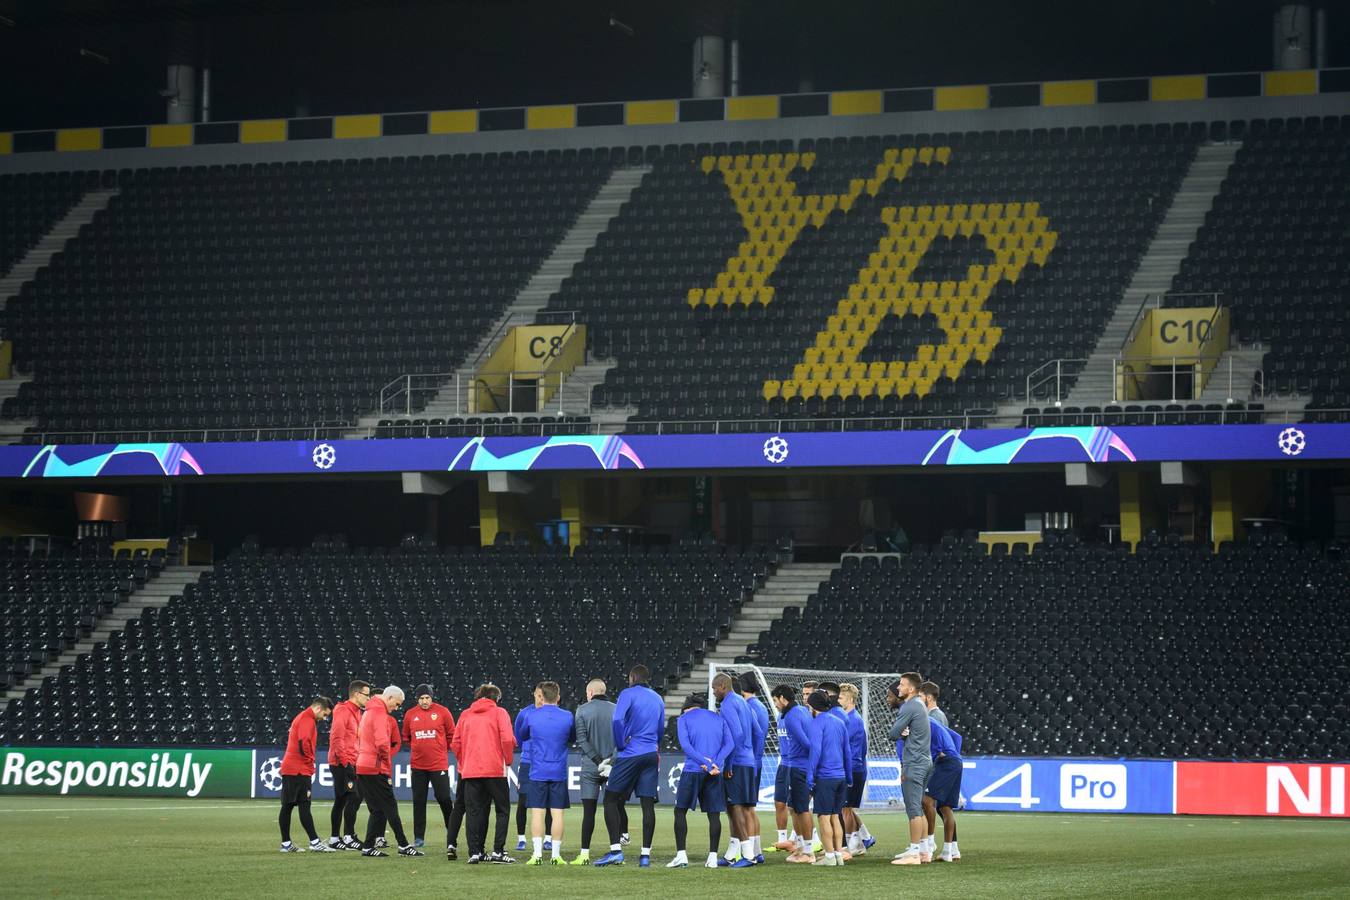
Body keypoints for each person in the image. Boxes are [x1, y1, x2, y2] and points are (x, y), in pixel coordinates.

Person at [594, 664, 665, 868]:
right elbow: (661, 728)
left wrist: (621, 743)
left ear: (632, 678)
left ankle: (616, 851)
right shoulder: (657, 698)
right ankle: (645, 856)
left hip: (631, 753)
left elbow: (617, 719)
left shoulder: (627, 693)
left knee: (610, 799)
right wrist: (653, 743)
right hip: (651, 753)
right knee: (647, 804)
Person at [452, 682, 517, 864]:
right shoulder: (499, 713)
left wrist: (465, 761)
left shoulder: (465, 714)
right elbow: (505, 738)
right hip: (495, 769)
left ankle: (475, 852)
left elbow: (456, 743)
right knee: (502, 810)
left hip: (471, 770)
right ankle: (498, 851)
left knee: (473, 812)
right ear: (496, 698)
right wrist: (508, 759)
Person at [668, 693, 734, 869]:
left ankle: (681, 855)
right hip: (714, 772)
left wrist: (705, 762)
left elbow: (686, 746)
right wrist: (715, 763)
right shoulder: (718, 717)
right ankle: (712, 858)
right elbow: (730, 744)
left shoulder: (683, 719)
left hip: (693, 770)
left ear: (687, 707)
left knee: (680, 811)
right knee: (714, 814)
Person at [356, 685, 423, 857]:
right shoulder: (379, 713)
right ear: (390, 698)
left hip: (363, 765)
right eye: (398, 704)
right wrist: (385, 763)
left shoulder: (368, 712)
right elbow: (381, 743)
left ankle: (368, 846)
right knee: (390, 806)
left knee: (377, 809)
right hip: (375, 767)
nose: (397, 708)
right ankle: (403, 845)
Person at [519, 681, 575, 865]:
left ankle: (536, 855)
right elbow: (572, 737)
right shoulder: (567, 716)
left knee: (537, 813)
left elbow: (522, 736)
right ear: (558, 697)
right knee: (557, 814)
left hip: (537, 771)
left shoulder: (532, 715)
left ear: (541, 696)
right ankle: (556, 856)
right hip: (558, 771)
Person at [571, 677, 620, 864]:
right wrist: (610, 761)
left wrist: (598, 760)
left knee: (588, 812)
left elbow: (582, 740)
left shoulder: (582, 710)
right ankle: (615, 851)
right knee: (612, 808)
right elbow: (622, 739)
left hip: (591, 767)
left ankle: (584, 854)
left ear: (590, 693)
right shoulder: (616, 709)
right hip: (612, 768)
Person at [710, 672, 758, 867]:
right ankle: (732, 854)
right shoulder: (742, 702)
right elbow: (757, 730)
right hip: (748, 759)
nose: (713, 693)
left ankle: (748, 855)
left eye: (714, 688)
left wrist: (728, 764)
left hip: (736, 762)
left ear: (722, 686)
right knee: (733, 807)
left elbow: (736, 734)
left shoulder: (728, 704)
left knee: (735, 806)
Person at [402, 684, 456, 852]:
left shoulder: (443, 712)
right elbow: (406, 737)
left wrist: (440, 749)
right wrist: (419, 748)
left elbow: (452, 734)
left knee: (444, 798)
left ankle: (451, 834)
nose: (425, 701)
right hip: (418, 766)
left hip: (438, 764)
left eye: (427, 698)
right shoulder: (410, 714)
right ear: (417, 699)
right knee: (418, 801)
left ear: (432, 698)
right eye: (421, 698)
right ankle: (418, 837)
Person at [279, 696, 335, 853]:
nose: (325, 718)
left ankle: (286, 844)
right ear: (318, 708)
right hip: (298, 769)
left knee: (288, 806)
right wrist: (310, 760)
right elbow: (304, 742)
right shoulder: (307, 719)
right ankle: (314, 842)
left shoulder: (302, 717)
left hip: (292, 767)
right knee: (304, 804)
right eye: (324, 714)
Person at [887, 672, 932, 866]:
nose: (898, 688)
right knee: (918, 807)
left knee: (913, 809)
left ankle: (914, 853)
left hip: (913, 763)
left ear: (911, 688)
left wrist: (902, 733)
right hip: (925, 761)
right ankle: (922, 850)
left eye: (902, 685)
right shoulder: (920, 704)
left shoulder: (909, 706)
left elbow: (893, 733)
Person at [805, 690, 852, 867]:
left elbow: (815, 751)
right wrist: (848, 776)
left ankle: (830, 857)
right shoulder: (840, 722)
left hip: (825, 777)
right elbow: (847, 751)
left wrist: (810, 777)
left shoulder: (817, 723)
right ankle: (838, 855)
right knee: (835, 816)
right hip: (840, 777)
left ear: (813, 707)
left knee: (823, 817)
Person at [769, 684, 815, 864]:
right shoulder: (802, 711)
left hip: (798, 767)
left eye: (775, 700)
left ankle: (808, 851)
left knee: (801, 809)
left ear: (782, 698)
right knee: (794, 808)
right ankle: (801, 848)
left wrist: (814, 761)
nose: (775, 704)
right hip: (798, 766)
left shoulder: (791, 717)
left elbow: (807, 743)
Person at [327, 680, 369, 850]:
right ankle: (349, 836)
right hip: (342, 762)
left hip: (351, 761)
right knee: (354, 797)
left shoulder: (357, 713)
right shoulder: (343, 711)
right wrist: (346, 764)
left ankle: (335, 839)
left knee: (342, 800)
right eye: (367, 694)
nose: (369, 698)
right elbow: (337, 739)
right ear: (357, 694)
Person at [838, 683, 876, 856]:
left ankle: (850, 844)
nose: (838, 700)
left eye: (841, 697)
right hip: (854, 768)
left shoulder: (853, 720)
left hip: (853, 769)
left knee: (845, 808)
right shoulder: (848, 718)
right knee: (848, 808)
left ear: (850, 699)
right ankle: (864, 838)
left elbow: (853, 751)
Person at [738, 673, 770, 864]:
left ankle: (750, 852)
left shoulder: (749, 707)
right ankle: (756, 851)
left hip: (750, 761)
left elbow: (754, 736)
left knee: (744, 809)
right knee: (750, 808)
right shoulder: (760, 706)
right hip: (756, 760)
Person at [924, 712, 963, 862]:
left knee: (927, 801)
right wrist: (954, 753)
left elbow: (935, 749)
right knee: (945, 807)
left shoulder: (927, 722)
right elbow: (957, 737)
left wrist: (944, 755)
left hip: (946, 764)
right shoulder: (933, 721)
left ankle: (929, 843)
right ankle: (949, 851)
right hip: (955, 762)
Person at [513, 693, 550, 851]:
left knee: (549, 802)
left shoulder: (550, 713)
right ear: (534, 694)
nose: (541, 699)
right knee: (523, 801)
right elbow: (518, 737)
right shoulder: (524, 713)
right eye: (539, 695)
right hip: (528, 762)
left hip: (545, 762)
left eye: (544, 696)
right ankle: (521, 838)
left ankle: (548, 838)